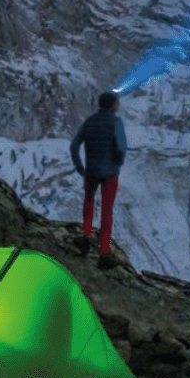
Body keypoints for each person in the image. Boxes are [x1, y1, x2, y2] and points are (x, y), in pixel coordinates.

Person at [69, 91, 128, 262]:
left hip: (91, 172)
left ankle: (85, 237)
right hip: (110, 174)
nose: (119, 104)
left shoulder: (89, 121)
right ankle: (104, 251)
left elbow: (74, 146)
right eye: (117, 102)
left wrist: (81, 169)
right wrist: (117, 162)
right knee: (107, 211)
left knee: (88, 205)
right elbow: (121, 148)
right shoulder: (116, 122)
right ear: (112, 104)